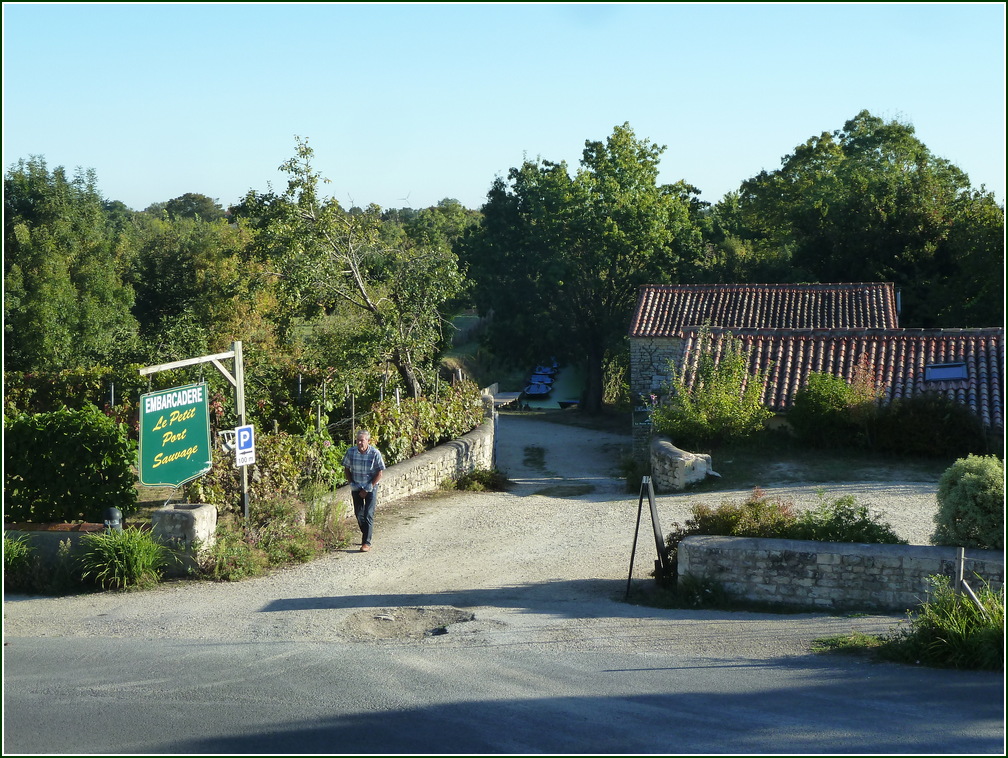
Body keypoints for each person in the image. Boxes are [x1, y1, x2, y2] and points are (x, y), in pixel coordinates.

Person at [342, 429, 386, 552]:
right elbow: (346, 469)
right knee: (359, 514)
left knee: (368, 514)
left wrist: (367, 488)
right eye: (358, 440)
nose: (360, 443)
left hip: (371, 486)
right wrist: (351, 483)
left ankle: (366, 542)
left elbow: (379, 473)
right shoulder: (351, 452)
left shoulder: (375, 453)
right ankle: (367, 532)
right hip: (356, 486)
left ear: (368, 441)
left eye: (362, 440)